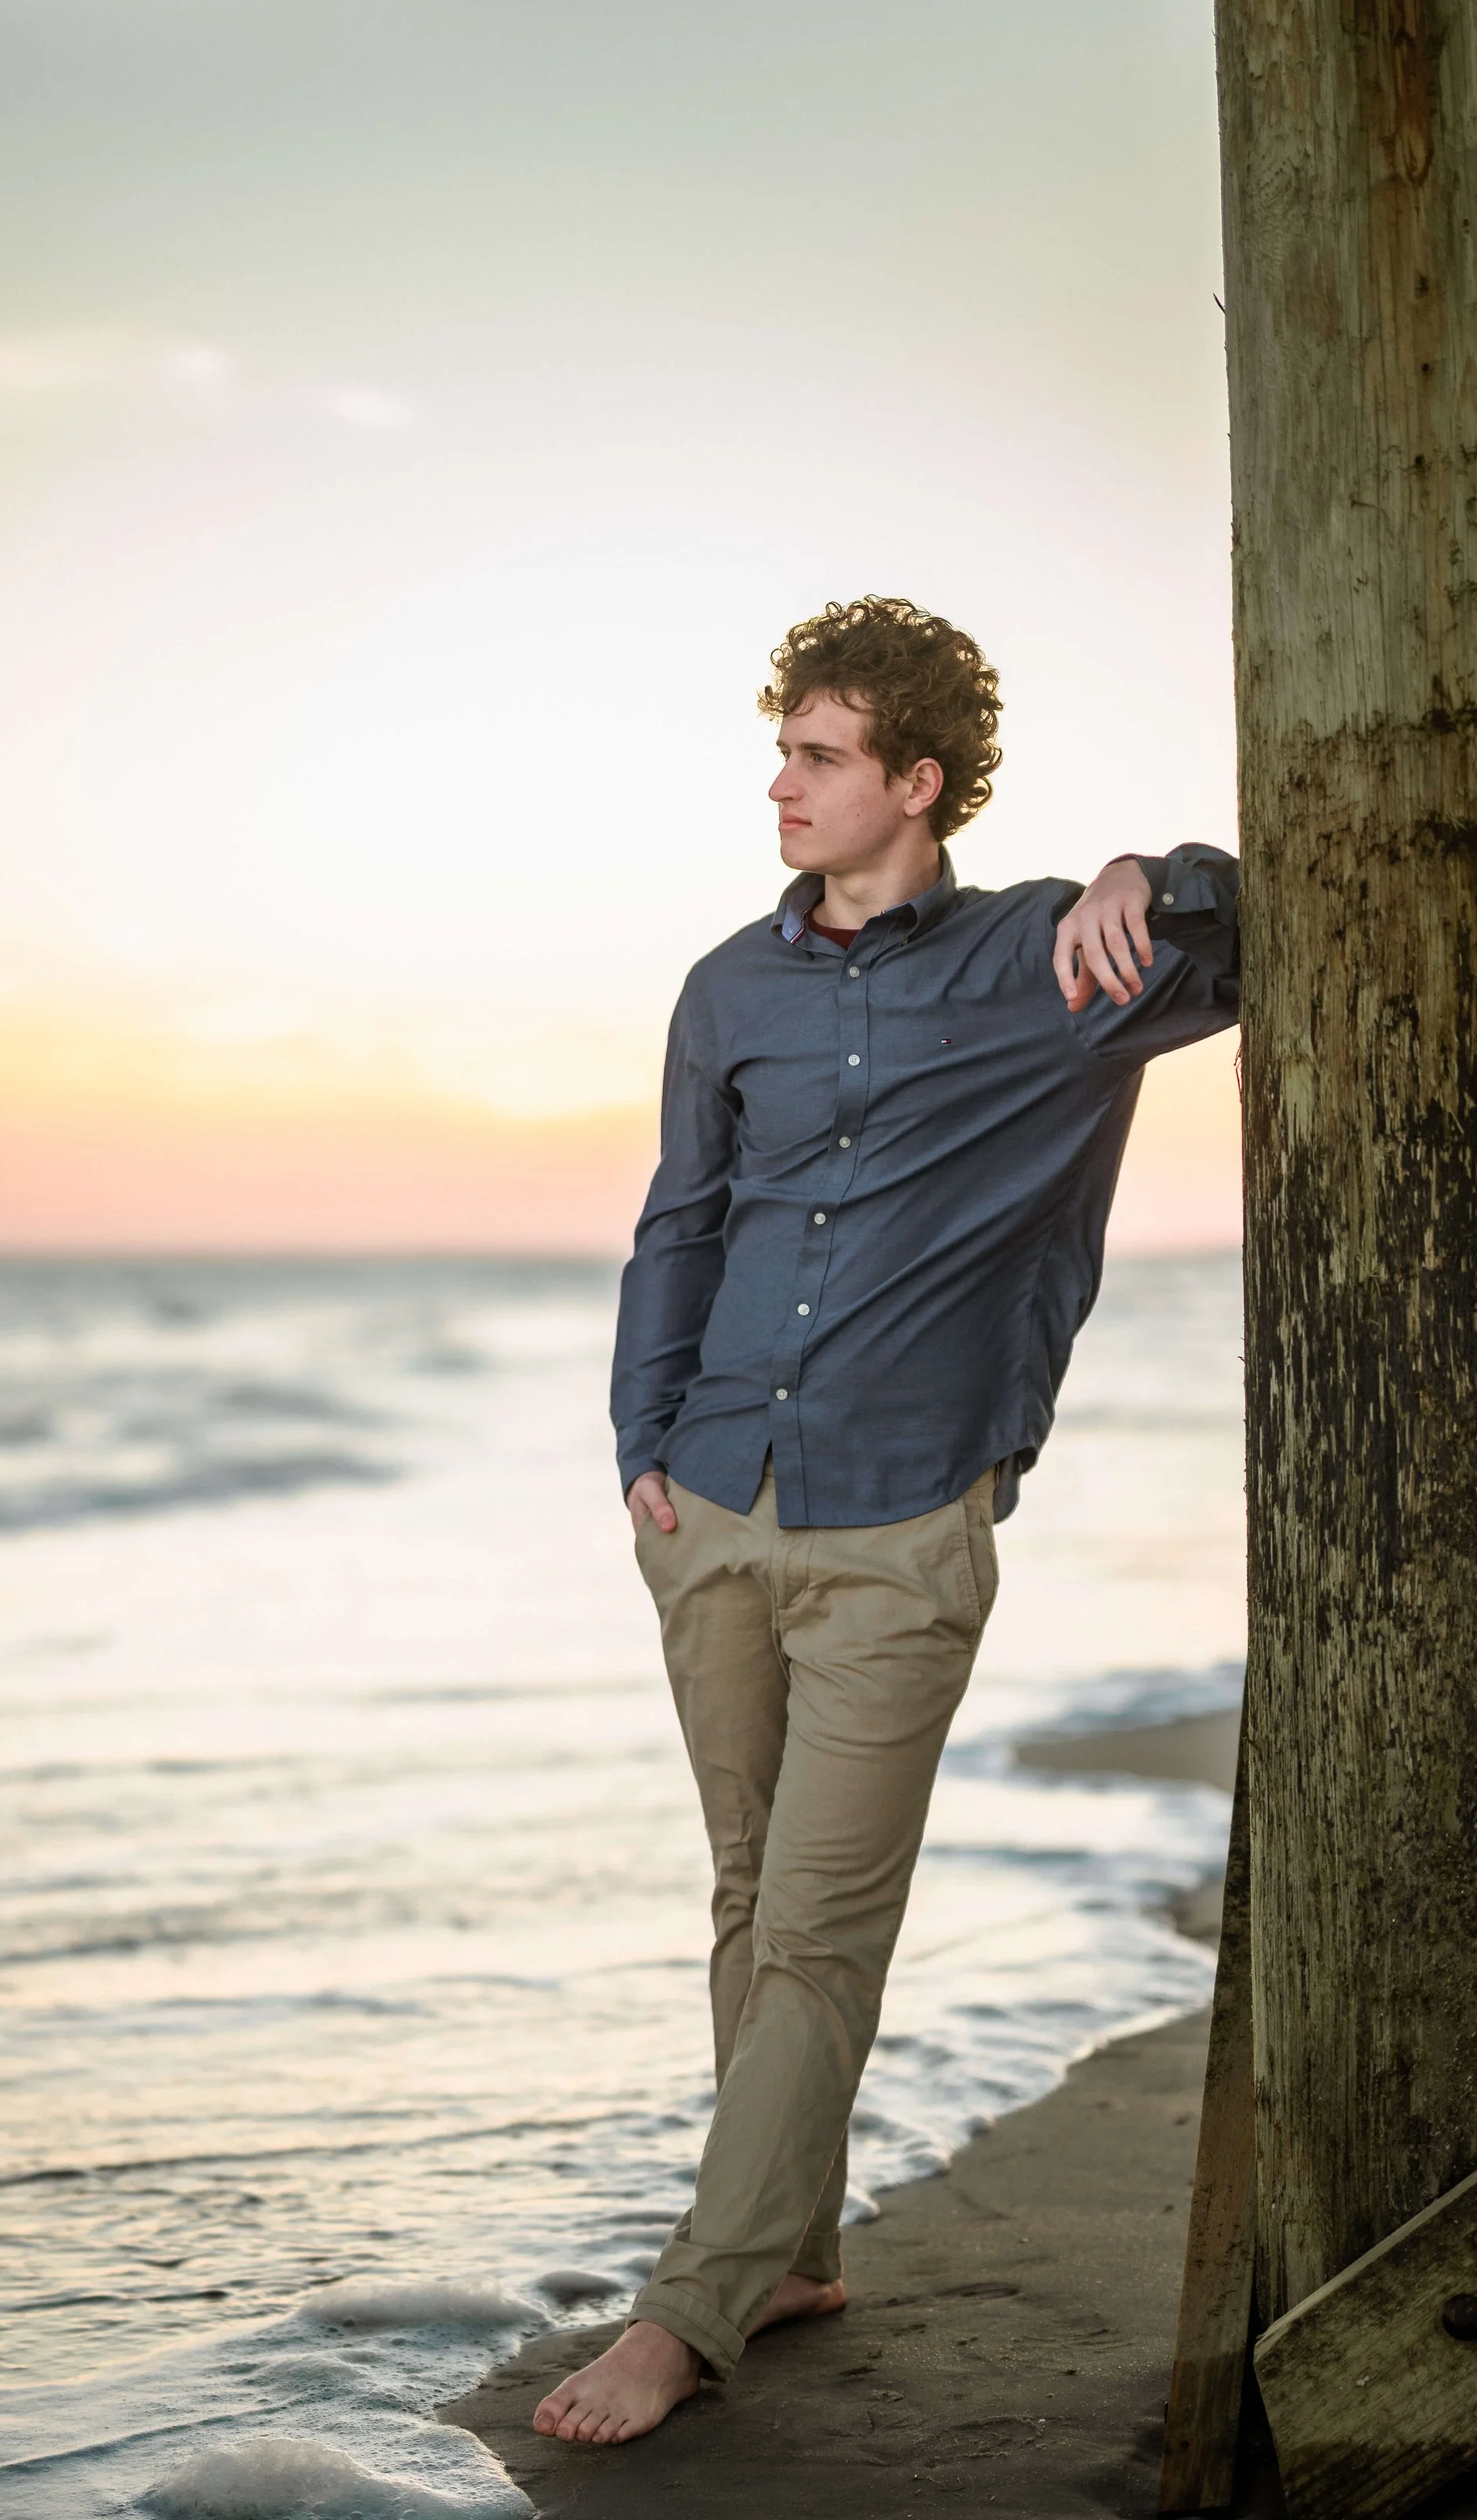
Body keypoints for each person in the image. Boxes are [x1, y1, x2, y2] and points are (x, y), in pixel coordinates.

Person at [533, 595, 1239, 2447]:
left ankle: (683, 2312)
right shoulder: (727, 989)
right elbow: (677, 1220)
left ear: (915, 783)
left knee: (823, 1929)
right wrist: (642, 1451)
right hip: (711, 1504)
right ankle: (786, 2249)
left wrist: (1141, 867)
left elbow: (1259, 922)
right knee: (751, 1898)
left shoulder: (1049, 962)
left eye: (821, 756)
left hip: (900, 1528)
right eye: (782, 750)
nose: (780, 785)